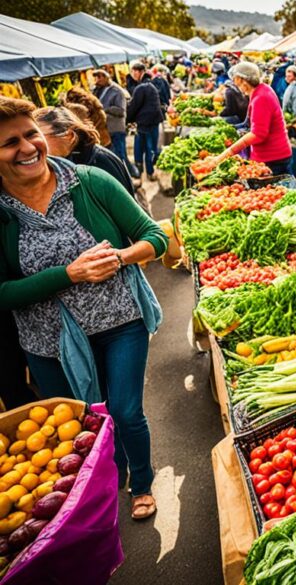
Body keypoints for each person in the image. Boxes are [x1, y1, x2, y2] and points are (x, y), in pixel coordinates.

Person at [0, 97, 168, 520]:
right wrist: (68, 275)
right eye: (9, 142)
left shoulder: (90, 182)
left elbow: (154, 236)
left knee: (126, 411)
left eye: (31, 134)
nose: (27, 148)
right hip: (47, 341)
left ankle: (142, 484)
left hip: (119, 321)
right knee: (84, 426)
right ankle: (107, 484)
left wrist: (121, 258)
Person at [32, 107, 135, 200]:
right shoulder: (61, 166)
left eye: (40, 137)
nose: (33, 146)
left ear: (69, 136)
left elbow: (127, 215)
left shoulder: (100, 163)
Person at [208, 62, 292, 176]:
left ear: (242, 80)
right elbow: (249, 124)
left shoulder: (261, 98)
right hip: (271, 156)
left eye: (235, 79)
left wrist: (229, 152)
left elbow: (258, 134)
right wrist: (228, 129)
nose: (234, 82)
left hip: (273, 158)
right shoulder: (261, 90)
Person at [126, 62, 165, 182]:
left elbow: (133, 107)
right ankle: (149, 173)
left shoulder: (141, 87)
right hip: (151, 123)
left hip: (145, 124)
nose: (133, 75)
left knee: (143, 149)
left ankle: (141, 174)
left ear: (139, 72)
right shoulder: (150, 85)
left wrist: (127, 120)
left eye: (134, 72)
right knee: (149, 148)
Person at [91, 70, 129, 168]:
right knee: (110, 158)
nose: (97, 80)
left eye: (99, 77)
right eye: (95, 77)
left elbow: (121, 111)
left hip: (115, 129)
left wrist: (105, 109)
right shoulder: (96, 91)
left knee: (120, 157)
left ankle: (125, 177)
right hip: (104, 130)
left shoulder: (117, 91)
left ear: (106, 77)